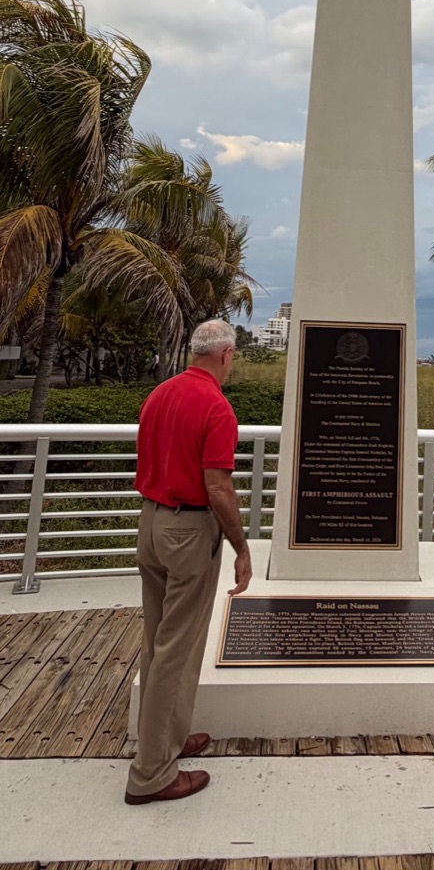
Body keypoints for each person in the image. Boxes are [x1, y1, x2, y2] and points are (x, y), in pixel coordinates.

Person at [125, 318, 252, 806]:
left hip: (152, 524)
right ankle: (151, 774)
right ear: (225, 355)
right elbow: (218, 487)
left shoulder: (160, 395)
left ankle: (166, 740)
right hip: (188, 531)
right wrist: (241, 547)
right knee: (176, 648)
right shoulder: (217, 408)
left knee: (158, 641)